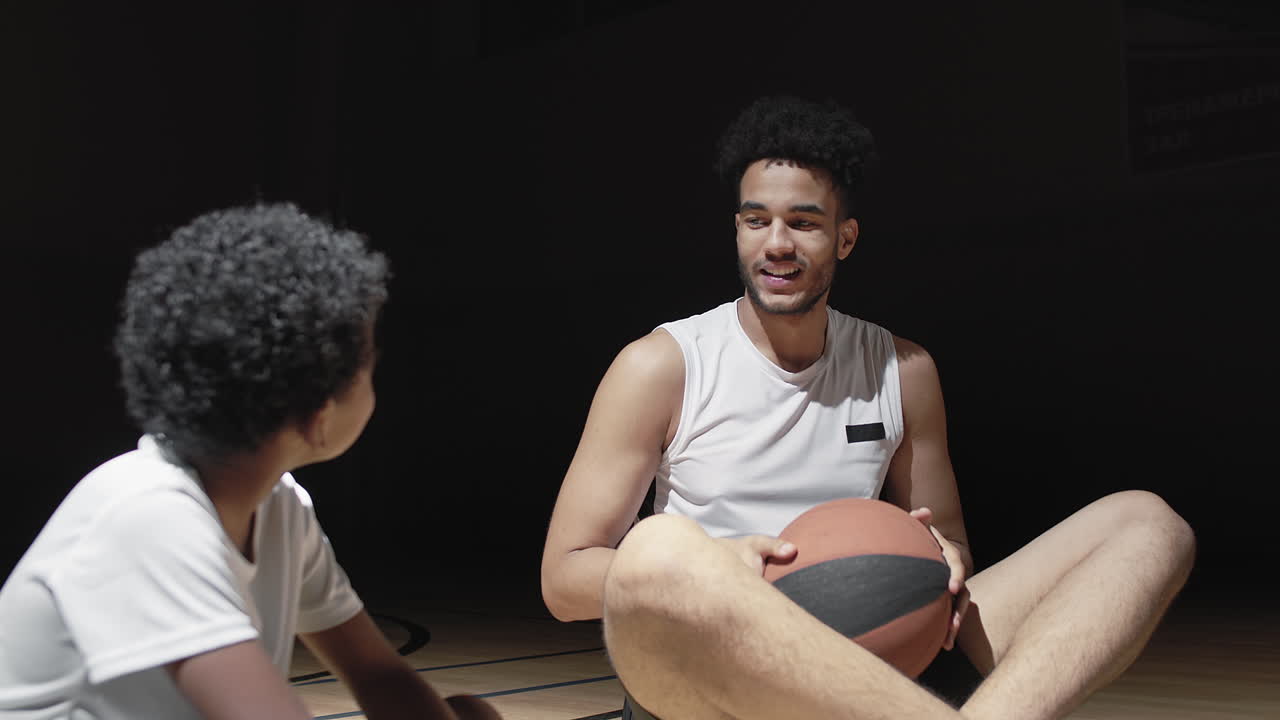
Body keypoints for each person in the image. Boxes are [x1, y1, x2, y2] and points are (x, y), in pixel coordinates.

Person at [540, 96, 1195, 720]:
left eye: (803, 222)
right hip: (712, 673)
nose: (776, 243)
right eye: (755, 220)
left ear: (845, 238)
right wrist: (722, 568)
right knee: (657, 548)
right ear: (736, 229)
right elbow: (564, 576)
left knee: (1147, 524)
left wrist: (940, 552)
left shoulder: (902, 370)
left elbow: (953, 543)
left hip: (875, 648)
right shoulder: (662, 364)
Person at [0, 204, 500, 720]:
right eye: (369, 363)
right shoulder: (148, 516)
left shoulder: (280, 507)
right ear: (319, 416)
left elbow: (377, 675)